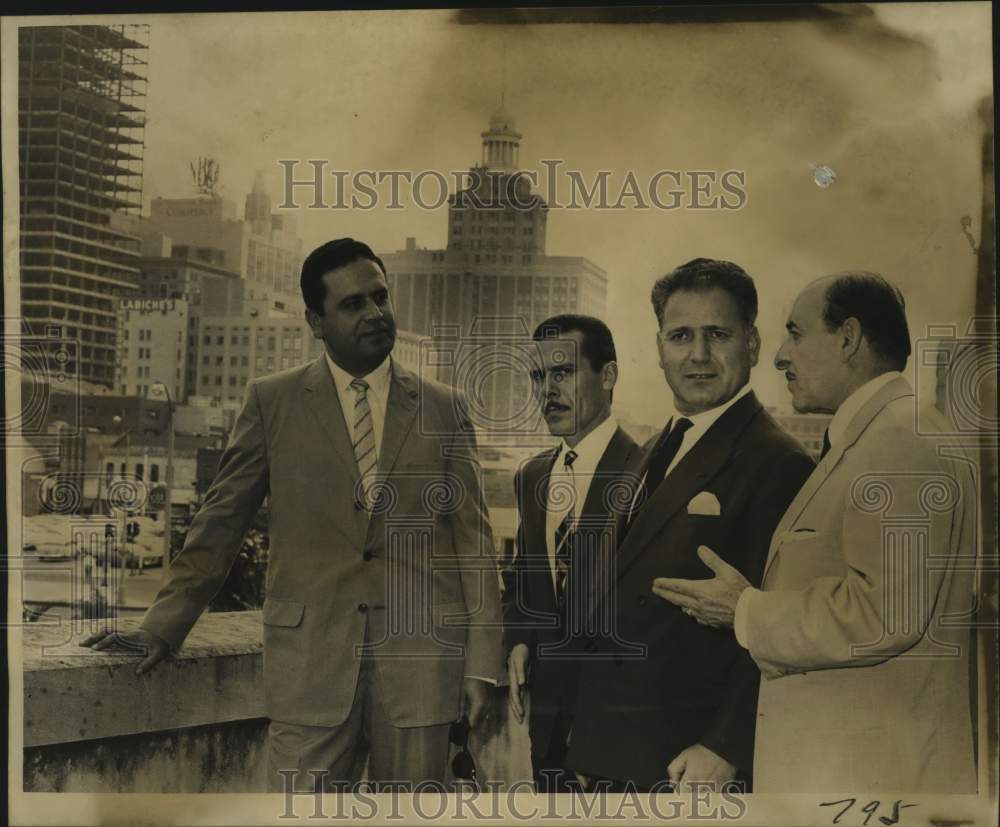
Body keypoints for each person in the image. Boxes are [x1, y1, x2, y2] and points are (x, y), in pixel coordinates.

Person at [81, 238, 503, 791]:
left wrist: (481, 665)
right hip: (308, 670)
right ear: (316, 321)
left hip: (421, 670)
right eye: (353, 304)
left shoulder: (444, 407)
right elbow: (220, 523)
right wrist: (162, 625)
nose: (375, 313)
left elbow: (475, 543)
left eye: (380, 297)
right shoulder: (271, 401)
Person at [653, 272, 977, 792]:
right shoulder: (877, 436)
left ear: (847, 338)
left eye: (796, 333)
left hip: (868, 779)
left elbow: (884, 614)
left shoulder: (899, 441)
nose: (780, 355)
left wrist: (744, 609)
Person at [565, 259, 814, 792]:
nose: (697, 355)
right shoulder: (655, 447)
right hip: (614, 752)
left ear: (751, 342)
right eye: (680, 336)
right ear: (658, 348)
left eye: (717, 335)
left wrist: (726, 747)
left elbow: (780, 625)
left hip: (689, 762)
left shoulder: (779, 462)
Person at [503, 314, 640, 792]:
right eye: (539, 377)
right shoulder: (532, 477)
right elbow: (527, 580)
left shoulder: (647, 473)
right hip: (548, 731)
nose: (547, 390)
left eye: (562, 373)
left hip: (622, 736)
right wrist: (520, 638)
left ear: (608, 376)